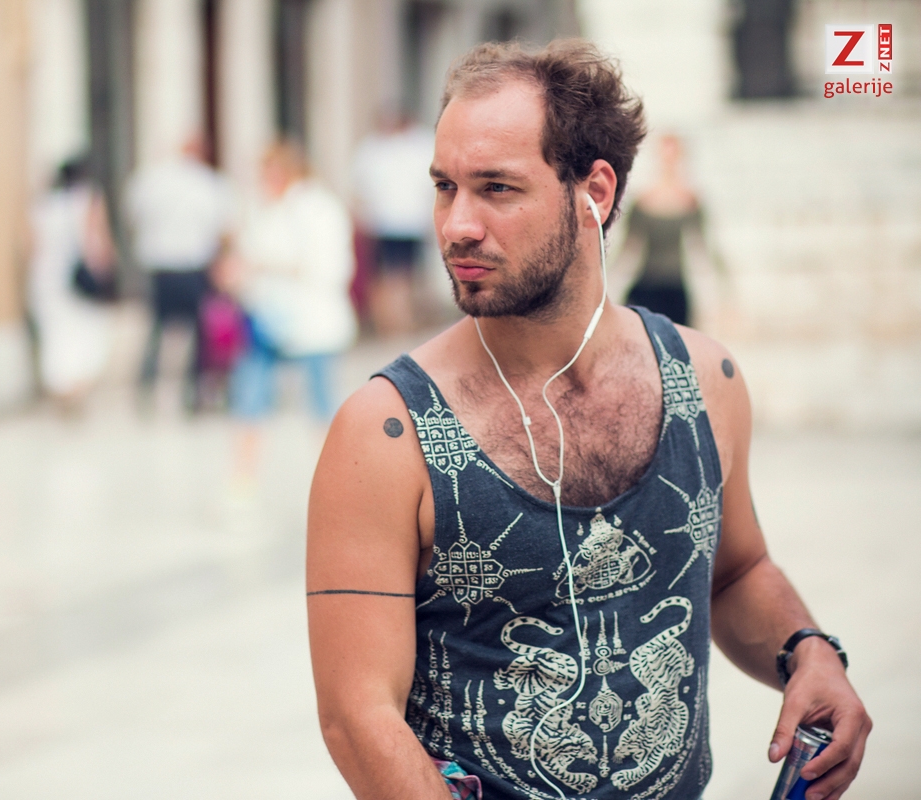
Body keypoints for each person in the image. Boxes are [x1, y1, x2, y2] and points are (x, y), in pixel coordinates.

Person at [307, 40, 869, 800]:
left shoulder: (706, 381)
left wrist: (808, 652)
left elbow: (736, 571)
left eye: (496, 188)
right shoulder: (386, 430)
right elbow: (357, 715)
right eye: (444, 187)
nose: (457, 225)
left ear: (594, 192)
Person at [221, 140, 356, 484]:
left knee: (321, 402)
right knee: (250, 397)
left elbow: (330, 266)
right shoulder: (262, 210)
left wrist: (265, 264)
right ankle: (243, 477)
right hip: (264, 317)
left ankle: (332, 480)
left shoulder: (317, 208)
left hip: (311, 320)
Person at [125, 136, 234, 411]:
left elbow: (133, 216)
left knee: (156, 330)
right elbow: (224, 227)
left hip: (159, 266)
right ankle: (194, 393)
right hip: (193, 266)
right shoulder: (209, 183)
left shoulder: (152, 179)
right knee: (198, 332)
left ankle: (146, 389)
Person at [27, 158, 117, 414]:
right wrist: (107, 272)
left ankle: (62, 387)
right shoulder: (87, 200)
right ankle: (77, 386)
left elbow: (32, 248)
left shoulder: (42, 206)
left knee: (56, 335)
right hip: (76, 278)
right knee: (86, 331)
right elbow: (97, 242)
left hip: (44, 279)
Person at [351, 112, 435, 336]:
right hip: (386, 223)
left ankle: (396, 320)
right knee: (392, 275)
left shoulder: (379, 147)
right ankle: (394, 320)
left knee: (399, 275)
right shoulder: (376, 147)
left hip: (404, 222)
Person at [618, 134, 708, 325]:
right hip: (646, 285)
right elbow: (627, 248)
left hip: (675, 287)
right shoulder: (643, 201)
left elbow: (704, 248)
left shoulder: (691, 202)